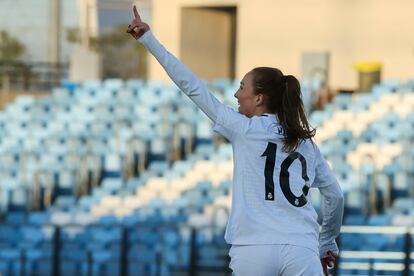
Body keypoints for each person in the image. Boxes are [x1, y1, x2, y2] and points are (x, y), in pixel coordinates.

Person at [127, 5, 344, 276]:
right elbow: (335, 195)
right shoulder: (306, 143)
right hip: (301, 248)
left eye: (242, 87)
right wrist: (326, 243)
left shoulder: (244, 129)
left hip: (252, 248)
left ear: (259, 98)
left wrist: (148, 39)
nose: (236, 95)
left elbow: (191, 86)